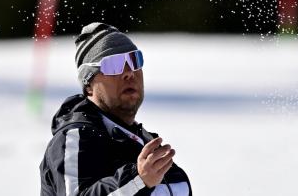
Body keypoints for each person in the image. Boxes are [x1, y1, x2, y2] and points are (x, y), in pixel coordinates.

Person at [39, 22, 192, 196]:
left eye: (134, 60)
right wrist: (138, 181)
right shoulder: (76, 139)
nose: (129, 73)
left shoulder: (143, 143)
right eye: (114, 65)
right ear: (89, 85)